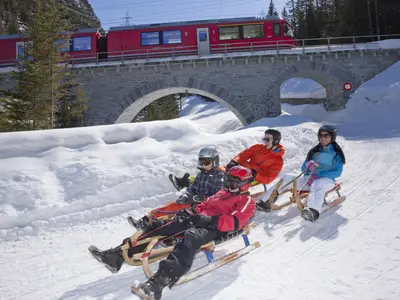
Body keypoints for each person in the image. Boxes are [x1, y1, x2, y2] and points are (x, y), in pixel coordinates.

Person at [130, 165, 256, 300]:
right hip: (202, 220)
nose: (229, 185)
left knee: (191, 237)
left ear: (244, 184)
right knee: (166, 224)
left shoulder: (247, 201)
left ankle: (156, 285)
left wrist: (208, 219)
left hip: (218, 228)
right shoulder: (223, 192)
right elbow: (204, 204)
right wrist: (191, 212)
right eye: (228, 181)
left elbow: (234, 222)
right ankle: (125, 252)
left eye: (233, 182)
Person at [258, 124, 345, 221]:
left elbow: (338, 171)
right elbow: (303, 167)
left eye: (326, 136)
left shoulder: (336, 153)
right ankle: (265, 201)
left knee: (317, 184)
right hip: (309, 180)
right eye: (321, 136)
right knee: (288, 177)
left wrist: (319, 174)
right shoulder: (314, 151)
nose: (323, 138)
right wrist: (308, 166)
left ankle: (313, 210)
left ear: (332, 137)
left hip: (326, 181)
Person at [127, 146, 225, 229]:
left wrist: (200, 198)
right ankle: (145, 222)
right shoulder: (201, 174)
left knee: (177, 215)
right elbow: (192, 188)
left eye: (206, 162)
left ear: (215, 161)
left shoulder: (219, 175)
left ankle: (164, 230)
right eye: (201, 162)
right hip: (194, 203)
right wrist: (186, 195)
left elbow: (218, 197)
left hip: (205, 208)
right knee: (170, 207)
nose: (203, 165)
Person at [171, 129, 284, 192]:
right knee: (217, 170)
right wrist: (234, 161)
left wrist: (255, 174)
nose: (264, 141)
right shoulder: (258, 147)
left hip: (251, 176)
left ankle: (212, 192)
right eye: (264, 138)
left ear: (275, 141)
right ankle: (187, 182)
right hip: (241, 168)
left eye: (267, 139)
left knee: (227, 178)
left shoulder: (277, 160)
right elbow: (243, 155)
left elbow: (269, 178)